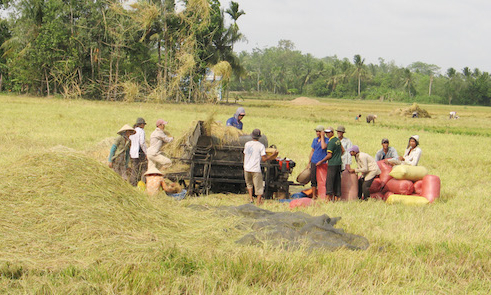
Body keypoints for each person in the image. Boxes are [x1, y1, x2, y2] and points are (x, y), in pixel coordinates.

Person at [243, 129, 278, 204]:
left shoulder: (247, 144)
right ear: (259, 137)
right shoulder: (261, 146)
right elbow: (264, 159)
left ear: (252, 136)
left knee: (249, 184)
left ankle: (251, 199)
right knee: (259, 186)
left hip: (246, 168)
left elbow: (245, 154)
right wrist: (272, 155)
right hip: (255, 169)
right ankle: (258, 201)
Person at [308, 125, 329, 199]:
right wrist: (309, 162)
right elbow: (312, 151)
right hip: (314, 161)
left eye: (319, 131)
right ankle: (314, 195)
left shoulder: (327, 140)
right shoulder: (315, 140)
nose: (317, 133)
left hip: (322, 163)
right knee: (313, 179)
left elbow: (323, 147)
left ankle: (322, 195)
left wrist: (322, 137)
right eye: (316, 131)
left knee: (322, 180)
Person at [324, 127, 344, 201]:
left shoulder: (331, 142)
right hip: (339, 163)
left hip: (332, 164)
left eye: (328, 133)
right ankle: (337, 197)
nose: (327, 134)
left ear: (332, 132)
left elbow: (329, 155)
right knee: (337, 180)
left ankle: (328, 198)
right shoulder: (337, 140)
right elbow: (343, 150)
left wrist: (322, 161)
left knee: (330, 181)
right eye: (326, 133)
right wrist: (338, 156)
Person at [129, 117, 148, 186]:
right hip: (140, 152)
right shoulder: (141, 131)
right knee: (144, 167)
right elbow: (142, 143)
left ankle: (132, 183)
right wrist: (146, 152)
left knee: (134, 169)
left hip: (132, 153)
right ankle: (143, 183)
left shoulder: (132, 131)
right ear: (141, 124)